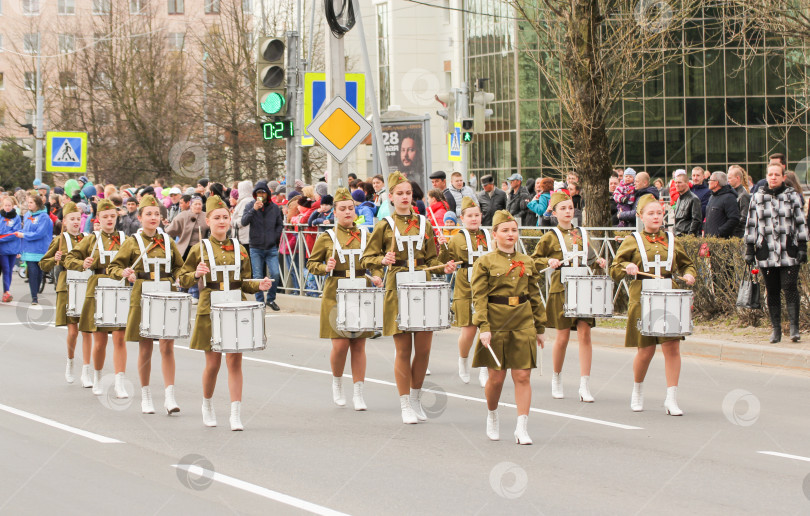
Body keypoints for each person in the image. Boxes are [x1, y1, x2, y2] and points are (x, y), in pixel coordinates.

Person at [361, 172, 457, 424]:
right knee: (403, 350)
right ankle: (404, 403)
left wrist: (443, 266)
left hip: (423, 285)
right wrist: (382, 260)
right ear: (391, 197)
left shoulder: (425, 222)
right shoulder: (385, 225)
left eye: (408, 193)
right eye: (400, 194)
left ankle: (416, 397)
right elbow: (366, 259)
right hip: (397, 285)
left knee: (424, 350)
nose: (405, 197)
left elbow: (432, 259)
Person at [178, 196, 272, 430]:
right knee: (212, 363)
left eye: (225, 217)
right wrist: (196, 275)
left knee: (235, 361)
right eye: (216, 217)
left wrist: (258, 285)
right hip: (210, 305)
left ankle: (235, 413)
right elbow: (182, 278)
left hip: (235, 305)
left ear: (230, 220)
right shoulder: (199, 248)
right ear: (207, 221)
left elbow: (244, 282)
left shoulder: (239, 248)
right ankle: (207, 404)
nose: (222, 221)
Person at [609, 195, 696, 415]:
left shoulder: (672, 239)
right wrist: (627, 265)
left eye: (659, 213)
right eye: (651, 213)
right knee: (645, 350)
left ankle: (671, 398)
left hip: (669, 295)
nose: (656, 217)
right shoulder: (633, 240)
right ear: (640, 216)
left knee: (672, 348)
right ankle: (637, 390)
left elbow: (688, 264)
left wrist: (688, 274)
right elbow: (614, 269)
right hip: (643, 296)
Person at [470, 210, 546, 443]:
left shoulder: (526, 261)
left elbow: (534, 295)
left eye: (513, 230)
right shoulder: (485, 262)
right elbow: (479, 297)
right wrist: (484, 327)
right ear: (494, 234)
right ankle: (492, 415)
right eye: (505, 230)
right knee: (496, 379)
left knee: (523, 376)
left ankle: (521, 427)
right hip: (496, 321)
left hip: (522, 321)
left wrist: (540, 327)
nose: (510, 234)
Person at [108, 195, 185, 415]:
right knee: (145, 348)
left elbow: (179, 267)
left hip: (166, 294)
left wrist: (181, 276)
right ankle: (146, 395)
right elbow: (115, 267)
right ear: (140, 217)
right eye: (148, 214)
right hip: (143, 295)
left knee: (167, 346)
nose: (153, 217)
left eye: (156, 214)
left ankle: (170, 396)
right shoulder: (132, 242)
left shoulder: (167, 241)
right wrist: (124, 273)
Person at [307, 188, 383, 410]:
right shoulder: (326, 237)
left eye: (351, 208)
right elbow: (311, 263)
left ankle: (358, 392)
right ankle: (337, 382)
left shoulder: (366, 236)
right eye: (343, 209)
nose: (348, 212)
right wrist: (324, 267)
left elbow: (375, 262)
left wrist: (377, 275)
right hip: (336, 293)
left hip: (361, 290)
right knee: (340, 346)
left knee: (359, 345)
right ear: (335, 213)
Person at [532, 192, 607, 402]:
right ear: (554, 213)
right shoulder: (549, 236)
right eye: (562, 208)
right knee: (562, 336)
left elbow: (590, 257)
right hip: (561, 288)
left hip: (584, 288)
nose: (568, 211)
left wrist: (598, 261)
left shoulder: (582, 233)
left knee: (585, 334)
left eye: (570, 207)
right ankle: (556, 378)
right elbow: (535, 260)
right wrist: (548, 262)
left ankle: (584, 384)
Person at [63, 199, 128, 397]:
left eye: (112, 216)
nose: (109, 220)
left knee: (120, 338)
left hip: (119, 288)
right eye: (105, 216)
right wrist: (83, 263)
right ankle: (98, 377)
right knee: (99, 340)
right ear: (98, 218)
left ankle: (119, 382)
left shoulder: (126, 239)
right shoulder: (91, 239)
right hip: (98, 287)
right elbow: (69, 258)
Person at [744, 163, 809, 343]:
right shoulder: (757, 197)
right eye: (770, 174)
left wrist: (803, 246)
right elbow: (751, 224)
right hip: (766, 251)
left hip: (789, 249)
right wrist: (749, 249)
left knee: (789, 287)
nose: (773, 177)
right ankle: (776, 329)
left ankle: (794, 328)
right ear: (767, 176)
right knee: (772, 290)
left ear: (782, 177)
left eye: (776, 174)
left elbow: (801, 222)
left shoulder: (792, 196)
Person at [39, 202, 94, 387]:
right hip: (68, 286)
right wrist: (54, 259)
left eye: (78, 219)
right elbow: (43, 264)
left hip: (86, 285)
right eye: (72, 219)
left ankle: (86, 371)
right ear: (64, 221)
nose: (76, 222)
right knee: (73, 331)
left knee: (87, 330)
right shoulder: (60, 240)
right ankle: (70, 362)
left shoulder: (88, 238)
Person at [439, 198, 492, 387]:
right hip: (465, 287)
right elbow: (445, 262)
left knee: (486, 330)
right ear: (462, 218)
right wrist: (444, 246)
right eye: (470, 216)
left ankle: (484, 368)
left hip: (487, 288)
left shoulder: (488, 236)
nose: (474, 219)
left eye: (477, 215)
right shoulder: (457, 238)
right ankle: (463, 361)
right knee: (468, 331)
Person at [241, 182, 283, 311]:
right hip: (256, 247)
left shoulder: (274, 208)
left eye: (263, 193)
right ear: (255, 194)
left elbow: (279, 224)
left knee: (275, 274)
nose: (261, 195)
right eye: (258, 193)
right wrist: (254, 209)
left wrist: (275, 238)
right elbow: (244, 221)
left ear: (267, 194)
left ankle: (271, 299)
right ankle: (260, 302)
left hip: (271, 247)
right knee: (258, 276)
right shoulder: (250, 205)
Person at [16, 193, 53, 305]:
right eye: (28, 202)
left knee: (39, 273)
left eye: (31, 202)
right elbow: (25, 230)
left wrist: (24, 235)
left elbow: (39, 233)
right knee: (32, 272)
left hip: (41, 249)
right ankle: (34, 296)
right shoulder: (27, 214)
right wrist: (19, 233)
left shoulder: (44, 217)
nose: (29, 204)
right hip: (29, 249)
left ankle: (36, 291)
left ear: (37, 204)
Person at [703, 171, 740, 238]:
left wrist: (719, 233)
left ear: (716, 183)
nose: (708, 182)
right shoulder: (712, 197)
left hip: (721, 242)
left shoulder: (729, 198)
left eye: (710, 180)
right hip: (709, 241)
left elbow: (734, 219)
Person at [0, 196, 21, 302]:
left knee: (9, 271)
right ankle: (6, 291)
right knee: (6, 269)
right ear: (2, 206)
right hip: (2, 249)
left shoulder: (17, 217)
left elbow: (15, 233)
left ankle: (6, 291)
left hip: (13, 248)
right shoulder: (0, 216)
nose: (7, 208)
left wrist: (3, 236)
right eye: (5, 205)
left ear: (13, 206)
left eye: (9, 206)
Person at [672, 170, 702, 236]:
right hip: (677, 236)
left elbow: (696, 220)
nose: (677, 185)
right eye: (676, 182)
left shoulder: (694, 199)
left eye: (679, 182)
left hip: (686, 237)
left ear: (687, 183)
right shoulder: (679, 198)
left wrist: (690, 236)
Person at [231, 180, 255, 253]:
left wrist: (233, 222)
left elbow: (242, 220)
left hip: (244, 238)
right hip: (247, 237)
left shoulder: (245, 202)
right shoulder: (250, 200)